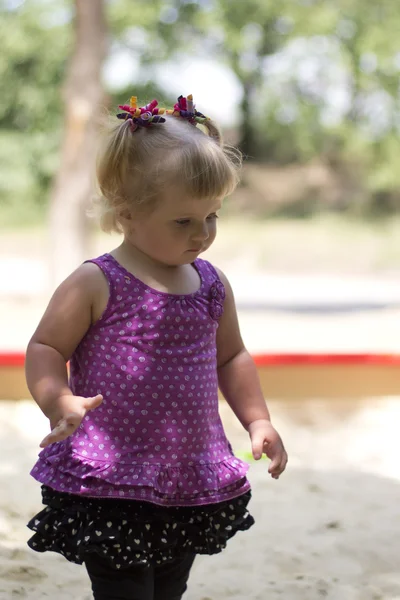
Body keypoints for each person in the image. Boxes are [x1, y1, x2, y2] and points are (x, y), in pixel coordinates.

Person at [26, 94, 288, 600]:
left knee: (170, 586)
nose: (203, 234)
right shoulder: (98, 282)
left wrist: (257, 419)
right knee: (124, 589)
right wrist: (56, 398)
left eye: (212, 216)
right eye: (183, 221)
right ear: (126, 212)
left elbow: (231, 357)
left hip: (187, 472)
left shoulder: (210, 284)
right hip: (111, 474)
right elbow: (44, 346)